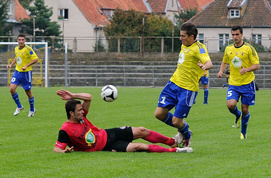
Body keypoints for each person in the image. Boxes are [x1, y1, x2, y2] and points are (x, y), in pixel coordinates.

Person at [53, 89, 193, 153]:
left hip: (109, 134)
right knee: (140, 147)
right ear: (71, 113)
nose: (83, 112)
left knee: (142, 130)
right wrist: (64, 152)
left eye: (82, 110)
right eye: (79, 111)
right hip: (107, 147)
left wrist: (72, 95)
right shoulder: (65, 130)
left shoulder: (82, 117)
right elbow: (57, 148)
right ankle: (177, 150)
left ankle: (172, 141)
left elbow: (88, 97)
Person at [154, 23, 213, 147]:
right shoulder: (184, 45)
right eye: (180, 35)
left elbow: (209, 63)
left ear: (192, 36)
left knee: (176, 121)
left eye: (183, 36)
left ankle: (186, 135)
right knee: (159, 114)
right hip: (173, 84)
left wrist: (204, 66)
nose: (180, 38)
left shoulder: (200, 48)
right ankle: (183, 128)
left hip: (187, 89)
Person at [217, 26, 260, 139]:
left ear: (242, 34)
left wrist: (246, 69)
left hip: (247, 83)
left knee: (245, 108)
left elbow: (257, 65)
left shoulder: (248, 48)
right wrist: (221, 71)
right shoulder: (228, 49)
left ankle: (243, 132)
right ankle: (238, 115)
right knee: (230, 105)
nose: (235, 37)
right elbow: (224, 61)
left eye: (237, 34)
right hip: (234, 83)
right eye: (233, 35)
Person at [6, 34, 38, 117]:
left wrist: (26, 66)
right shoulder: (16, 48)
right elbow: (17, 58)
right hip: (17, 72)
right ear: (17, 40)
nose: (21, 41)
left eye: (22, 40)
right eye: (19, 39)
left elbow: (36, 59)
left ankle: (32, 109)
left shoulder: (28, 49)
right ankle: (19, 106)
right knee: (11, 89)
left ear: (25, 41)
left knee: (28, 92)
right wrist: (11, 65)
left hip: (26, 73)